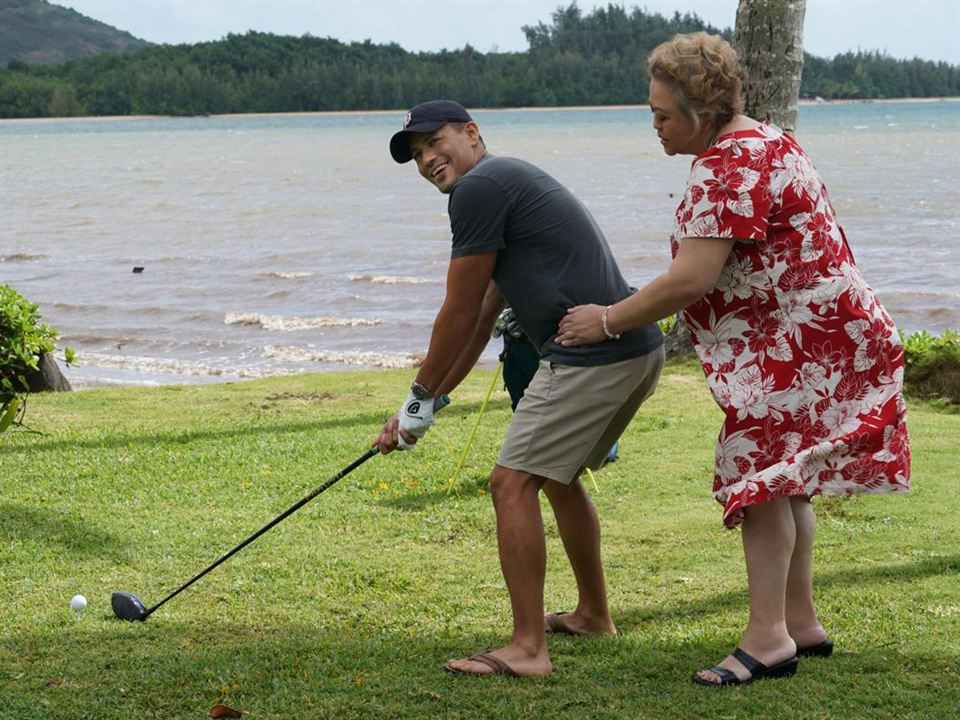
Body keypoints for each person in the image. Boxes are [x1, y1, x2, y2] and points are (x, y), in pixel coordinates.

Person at [557, 32, 911, 687]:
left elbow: (691, 278)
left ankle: (768, 638)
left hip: (802, 348)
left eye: (664, 115)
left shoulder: (725, 166)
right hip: (835, 335)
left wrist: (604, 320)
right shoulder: (769, 140)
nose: (656, 128)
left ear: (703, 112)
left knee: (758, 481)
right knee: (786, 479)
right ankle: (799, 621)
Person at [376, 100, 665, 677]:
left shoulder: (479, 189)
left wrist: (415, 396)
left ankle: (529, 648)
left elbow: (456, 310)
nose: (428, 158)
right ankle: (592, 614)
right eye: (416, 154)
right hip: (637, 350)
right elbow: (482, 314)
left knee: (510, 483)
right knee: (555, 480)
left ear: (472, 133)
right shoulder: (502, 183)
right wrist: (425, 405)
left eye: (435, 142)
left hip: (593, 355)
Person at [498, 306, 619, 462]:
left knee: (569, 405)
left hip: (553, 341)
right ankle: (537, 447)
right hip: (518, 337)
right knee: (524, 400)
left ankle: (602, 450)